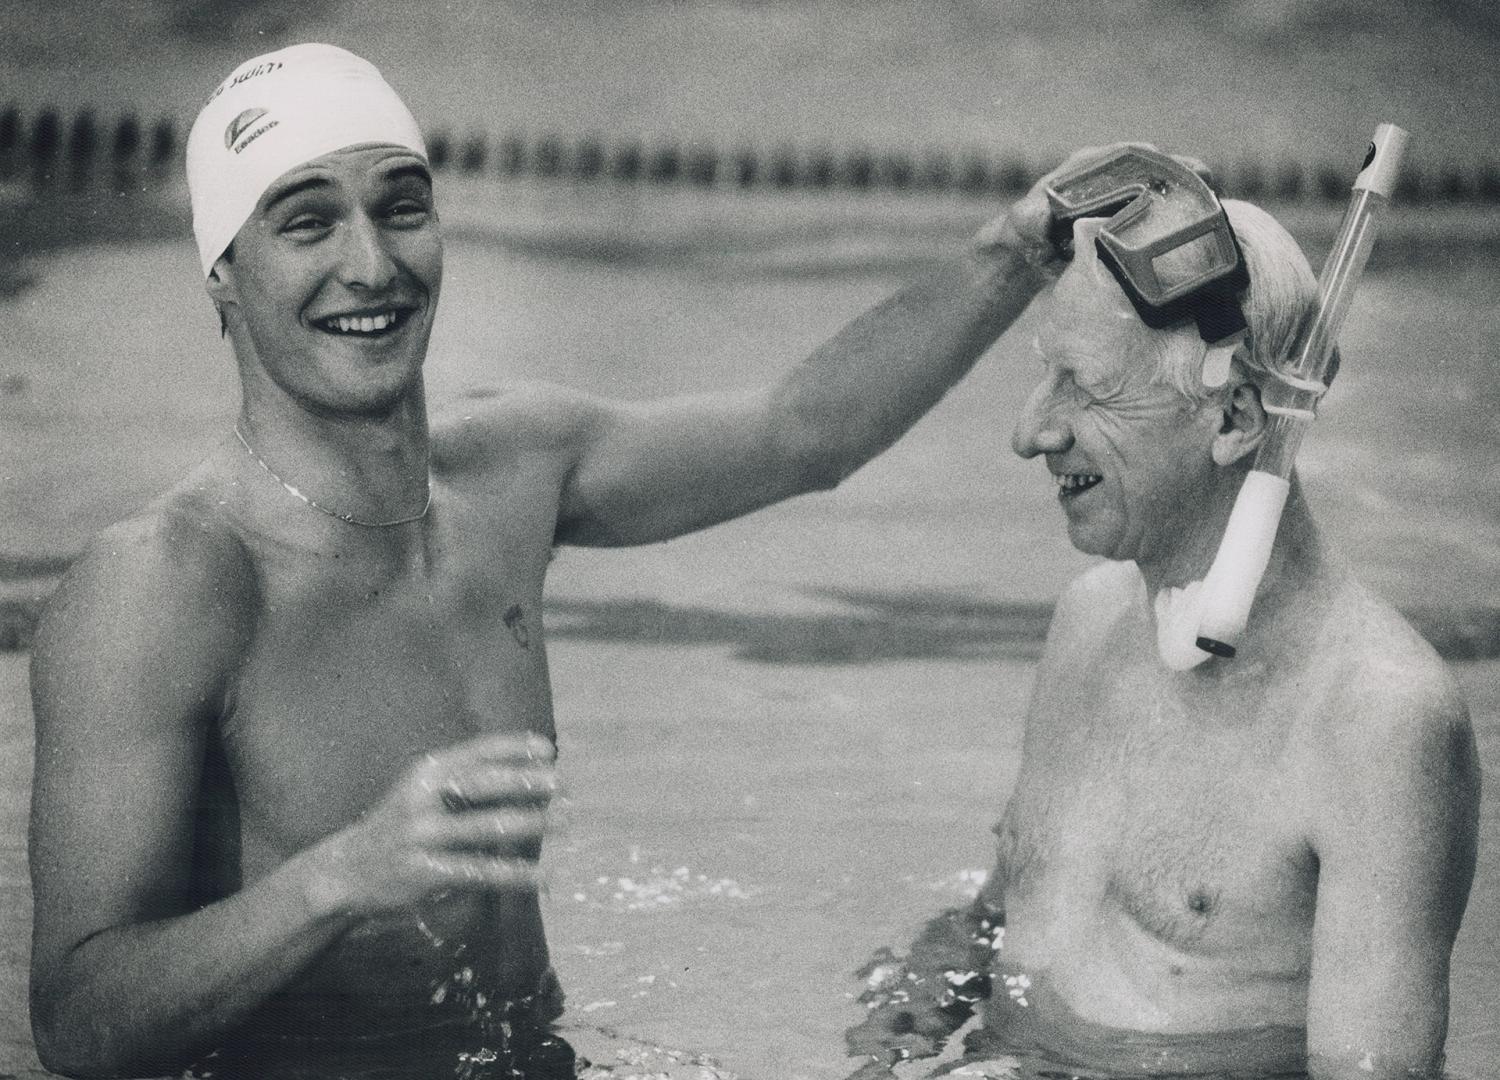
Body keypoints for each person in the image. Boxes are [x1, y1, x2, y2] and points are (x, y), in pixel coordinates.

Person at [26, 43, 1091, 1080]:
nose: (372, 263)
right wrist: (336, 880)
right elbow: (78, 1021)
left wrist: (1017, 250)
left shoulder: (509, 477)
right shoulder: (166, 585)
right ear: (222, 272)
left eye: (402, 206)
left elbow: (803, 432)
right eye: (307, 222)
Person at [844, 171, 1481, 1079]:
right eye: (1045, 378)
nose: (1031, 434)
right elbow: (1000, 916)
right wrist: (892, 1028)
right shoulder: (1093, 621)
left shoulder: (1379, 721)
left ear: (1233, 415)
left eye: (1087, 391)